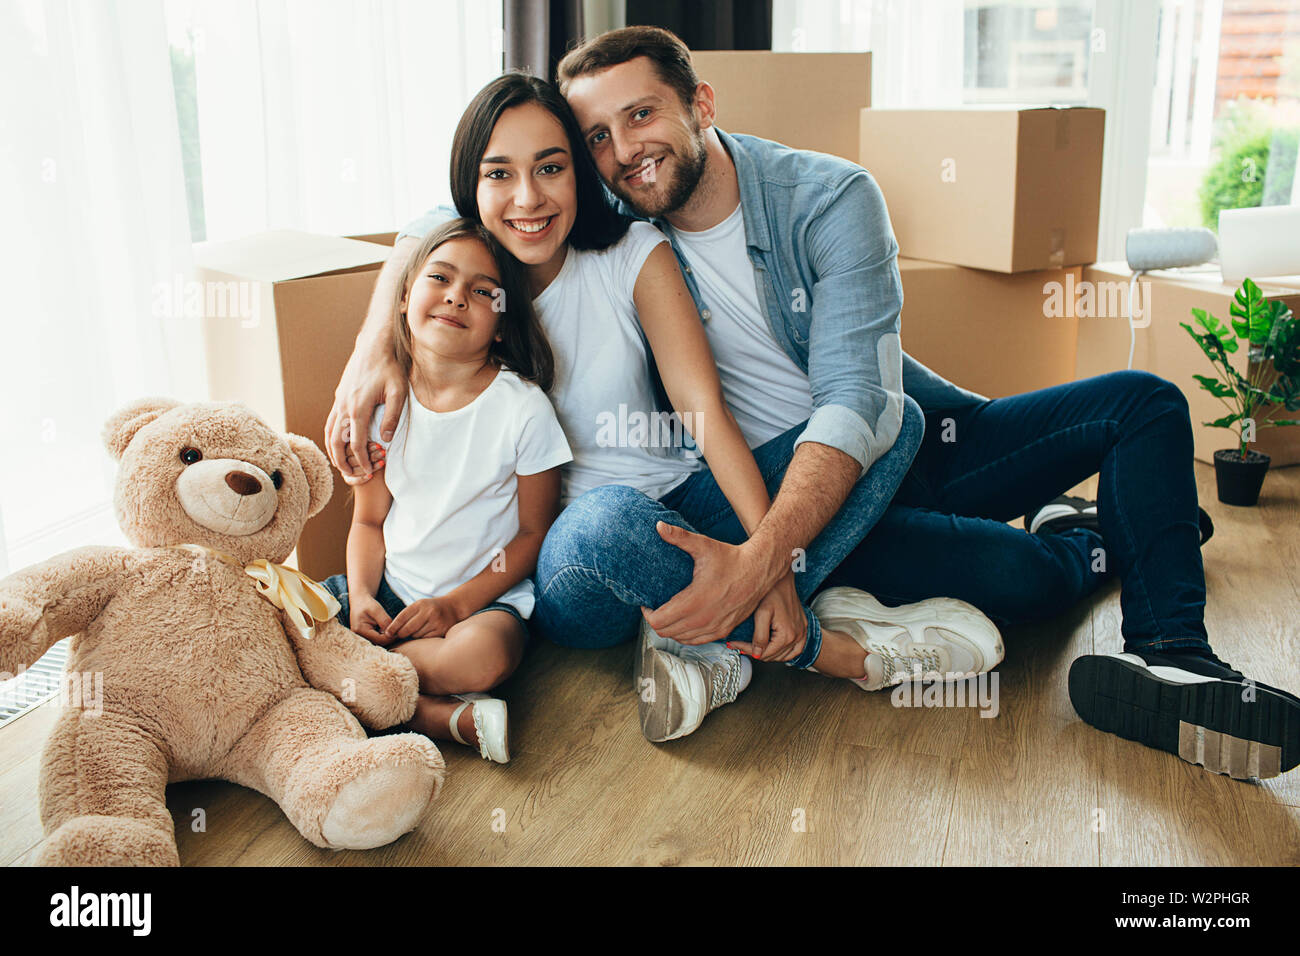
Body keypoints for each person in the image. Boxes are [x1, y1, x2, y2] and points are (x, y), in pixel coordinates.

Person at [548, 25, 1300, 779]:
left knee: (1144, 403)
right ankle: (1097, 534)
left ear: (701, 104)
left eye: (641, 114)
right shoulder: (615, 240)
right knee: (1025, 582)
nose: (623, 150)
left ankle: (1173, 659)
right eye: (598, 136)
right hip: (809, 506)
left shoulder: (828, 194)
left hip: (916, 436)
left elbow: (859, 399)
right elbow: (479, 220)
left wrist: (757, 569)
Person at [327, 72, 1004, 744]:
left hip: (683, 503)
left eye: (551, 167)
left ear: (580, 172)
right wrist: (374, 346)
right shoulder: (460, 293)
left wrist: (767, 563)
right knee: (607, 517)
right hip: (578, 558)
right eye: (499, 175)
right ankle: (831, 652)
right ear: (472, 188)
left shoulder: (631, 252)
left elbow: (704, 410)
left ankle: (694, 643)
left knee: (894, 422)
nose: (528, 197)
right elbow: (419, 239)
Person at [320, 218, 573, 764]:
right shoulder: (385, 404)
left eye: (484, 291)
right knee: (290, 622)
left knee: (482, 660)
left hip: (482, 603)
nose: (458, 296)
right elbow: (367, 523)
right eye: (441, 277)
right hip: (389, 596)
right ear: (407, 295)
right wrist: (363, 596)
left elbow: (533, 535)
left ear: (503, 324)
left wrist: (455, 606)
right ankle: (437, 715)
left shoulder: (521, 408)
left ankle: (367, 685)